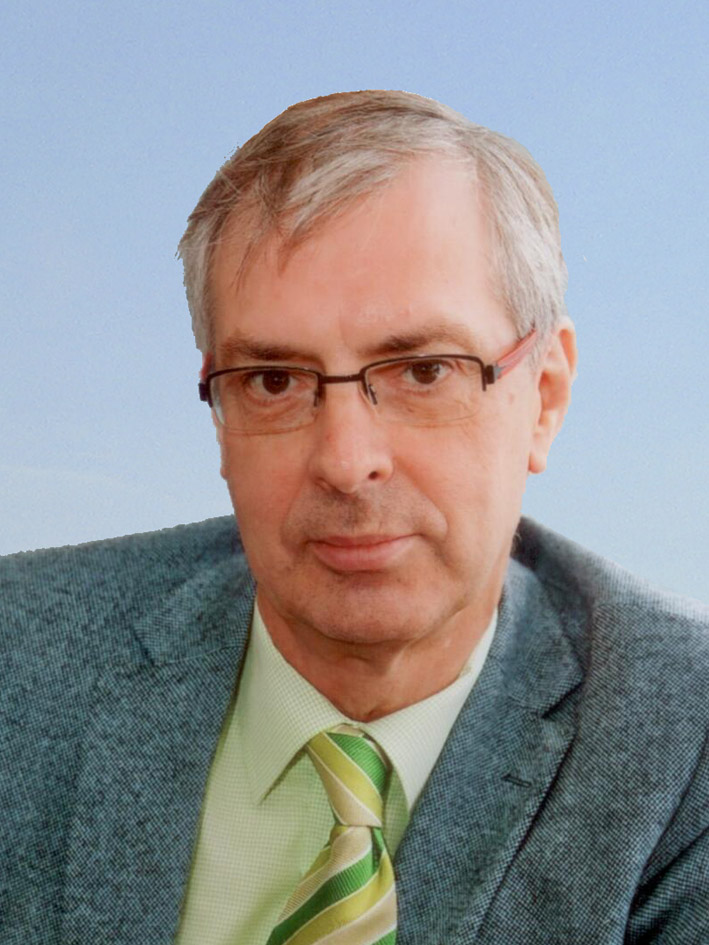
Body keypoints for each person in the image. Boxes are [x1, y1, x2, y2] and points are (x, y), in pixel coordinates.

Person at [2, 90, 707, 945]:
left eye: (423, 371)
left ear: (545, 397)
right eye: (272, 381)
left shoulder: (683, 739)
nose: (345, 460)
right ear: (218, 414)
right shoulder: (18, 658)